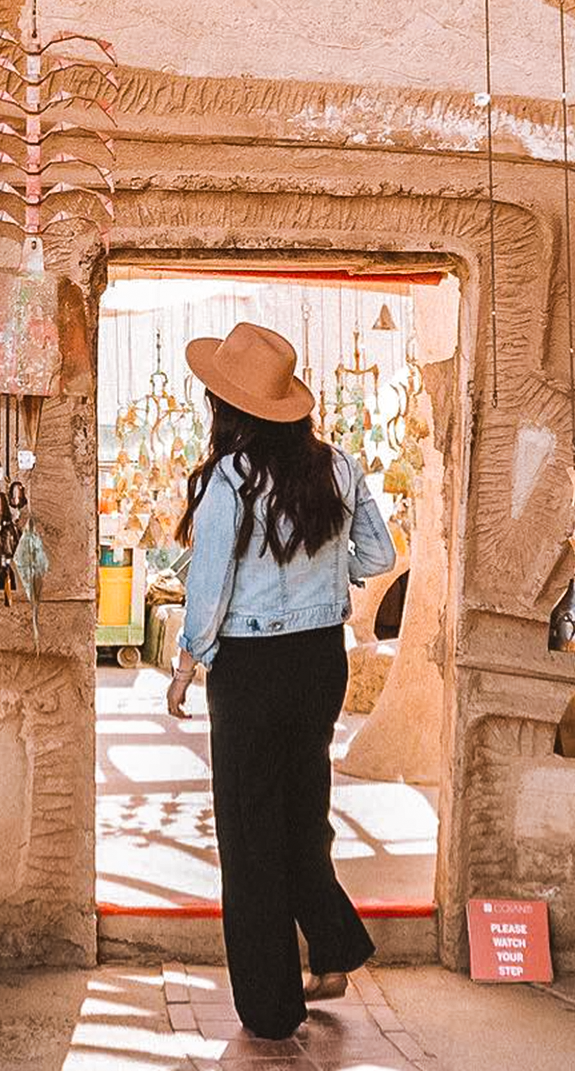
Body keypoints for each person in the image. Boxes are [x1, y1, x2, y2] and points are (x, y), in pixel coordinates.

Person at [165, 321, 399, 1040]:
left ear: (229, 407)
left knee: (249, 833)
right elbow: (379, 555)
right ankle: (334, 945)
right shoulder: (338, 468)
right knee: (302, 813)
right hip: (321, 661)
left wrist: (186, 664)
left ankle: (271, 1009)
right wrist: (324, 577)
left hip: (252, 669)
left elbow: (210, 586)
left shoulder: (230, 480)